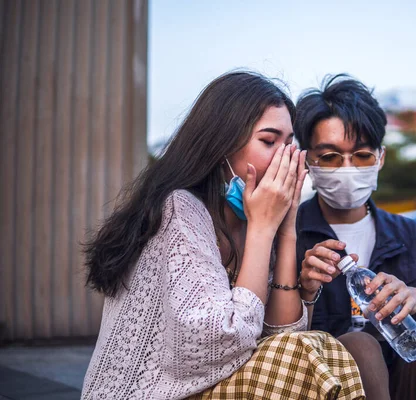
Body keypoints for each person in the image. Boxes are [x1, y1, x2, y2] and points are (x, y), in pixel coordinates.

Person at [81, 72, 364, 399]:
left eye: (289, 145)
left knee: (322, 347)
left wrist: (285, 229)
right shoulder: (180, 209)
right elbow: (220, 336)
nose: (283, 159)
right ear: (222, 146)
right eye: (269, 141)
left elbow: (282, 334)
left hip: (212, 389)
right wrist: (262, 228)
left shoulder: (255, 226)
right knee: (305, 353)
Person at [294, 75, 416, 400]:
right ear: (307, 161)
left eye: (361, 155)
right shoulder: (285, 235)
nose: (347, 169)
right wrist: (302, 290)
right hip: (321, 387)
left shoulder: (415, 236)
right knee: (359, 344)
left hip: (405, 381)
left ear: (381, 157)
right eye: (330, 157)